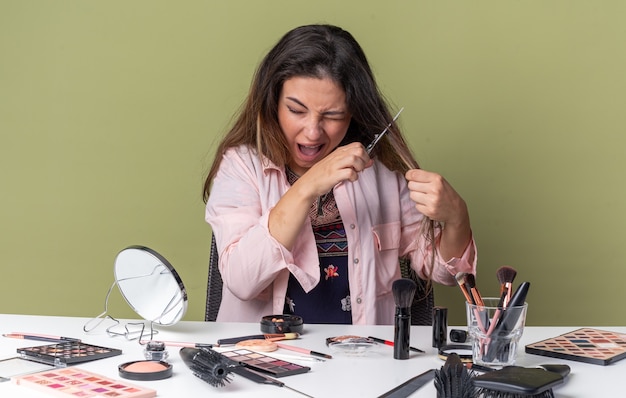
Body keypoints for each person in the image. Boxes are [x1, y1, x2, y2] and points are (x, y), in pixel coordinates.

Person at [203, 24, 476, 325]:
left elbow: (445, 272)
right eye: (296, 110)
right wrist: (308, 186)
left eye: (332, 115)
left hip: (366, 359)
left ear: (354, 111)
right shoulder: (240, 165)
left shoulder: (381, 168)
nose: (312, 131)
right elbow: (242, 281)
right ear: (273, 103)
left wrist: (457, 217)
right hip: (263, 361)